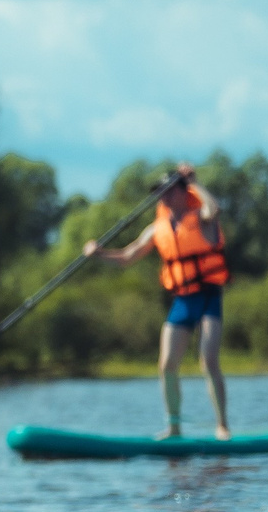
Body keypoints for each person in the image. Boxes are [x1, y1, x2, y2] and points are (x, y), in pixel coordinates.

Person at [85, 164, 231, 439]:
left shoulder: (201, 216)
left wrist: (193, 183)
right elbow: (129, 256)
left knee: (208, 360)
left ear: (181, 192)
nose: (163, 197)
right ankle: (174, 427)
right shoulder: (157, 228)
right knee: (166, 364)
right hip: (183, 299)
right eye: (159, 193)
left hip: (208, 295)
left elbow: (215, 208)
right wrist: (99, 253)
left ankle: (222, 425)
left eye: (168, 191)